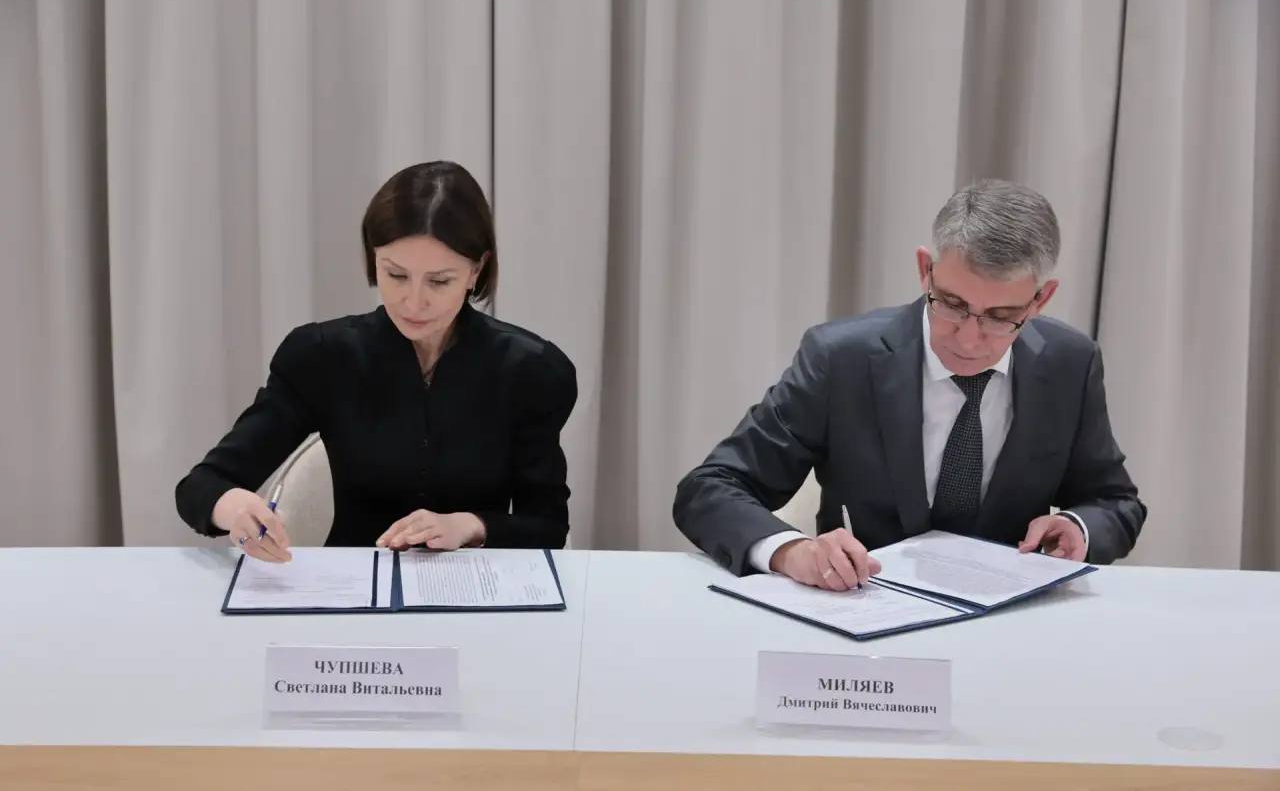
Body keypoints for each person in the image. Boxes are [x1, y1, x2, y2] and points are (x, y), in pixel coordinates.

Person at [673, 179, 1146, 590]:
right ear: (926, 270)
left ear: (1041, 298)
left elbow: (1115, 502)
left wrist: (1078, 527)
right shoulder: (841, 359)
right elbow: (710, 488)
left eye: (1002, 317)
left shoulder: (1069, 364)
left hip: (1006, 622)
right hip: (862, 612)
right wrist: (790, 551)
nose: (969, 338)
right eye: (952, 304)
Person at [176, 161, 577, 562]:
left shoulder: (532, 371)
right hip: (351, 585)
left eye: (439, 281)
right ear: (373, 260)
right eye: (396, 275)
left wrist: (471, 526)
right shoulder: (320, 357)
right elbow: (201, 485)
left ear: (476, 270)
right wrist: (234, 507)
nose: (414, 302)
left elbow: (547, 527)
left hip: (475, 585)